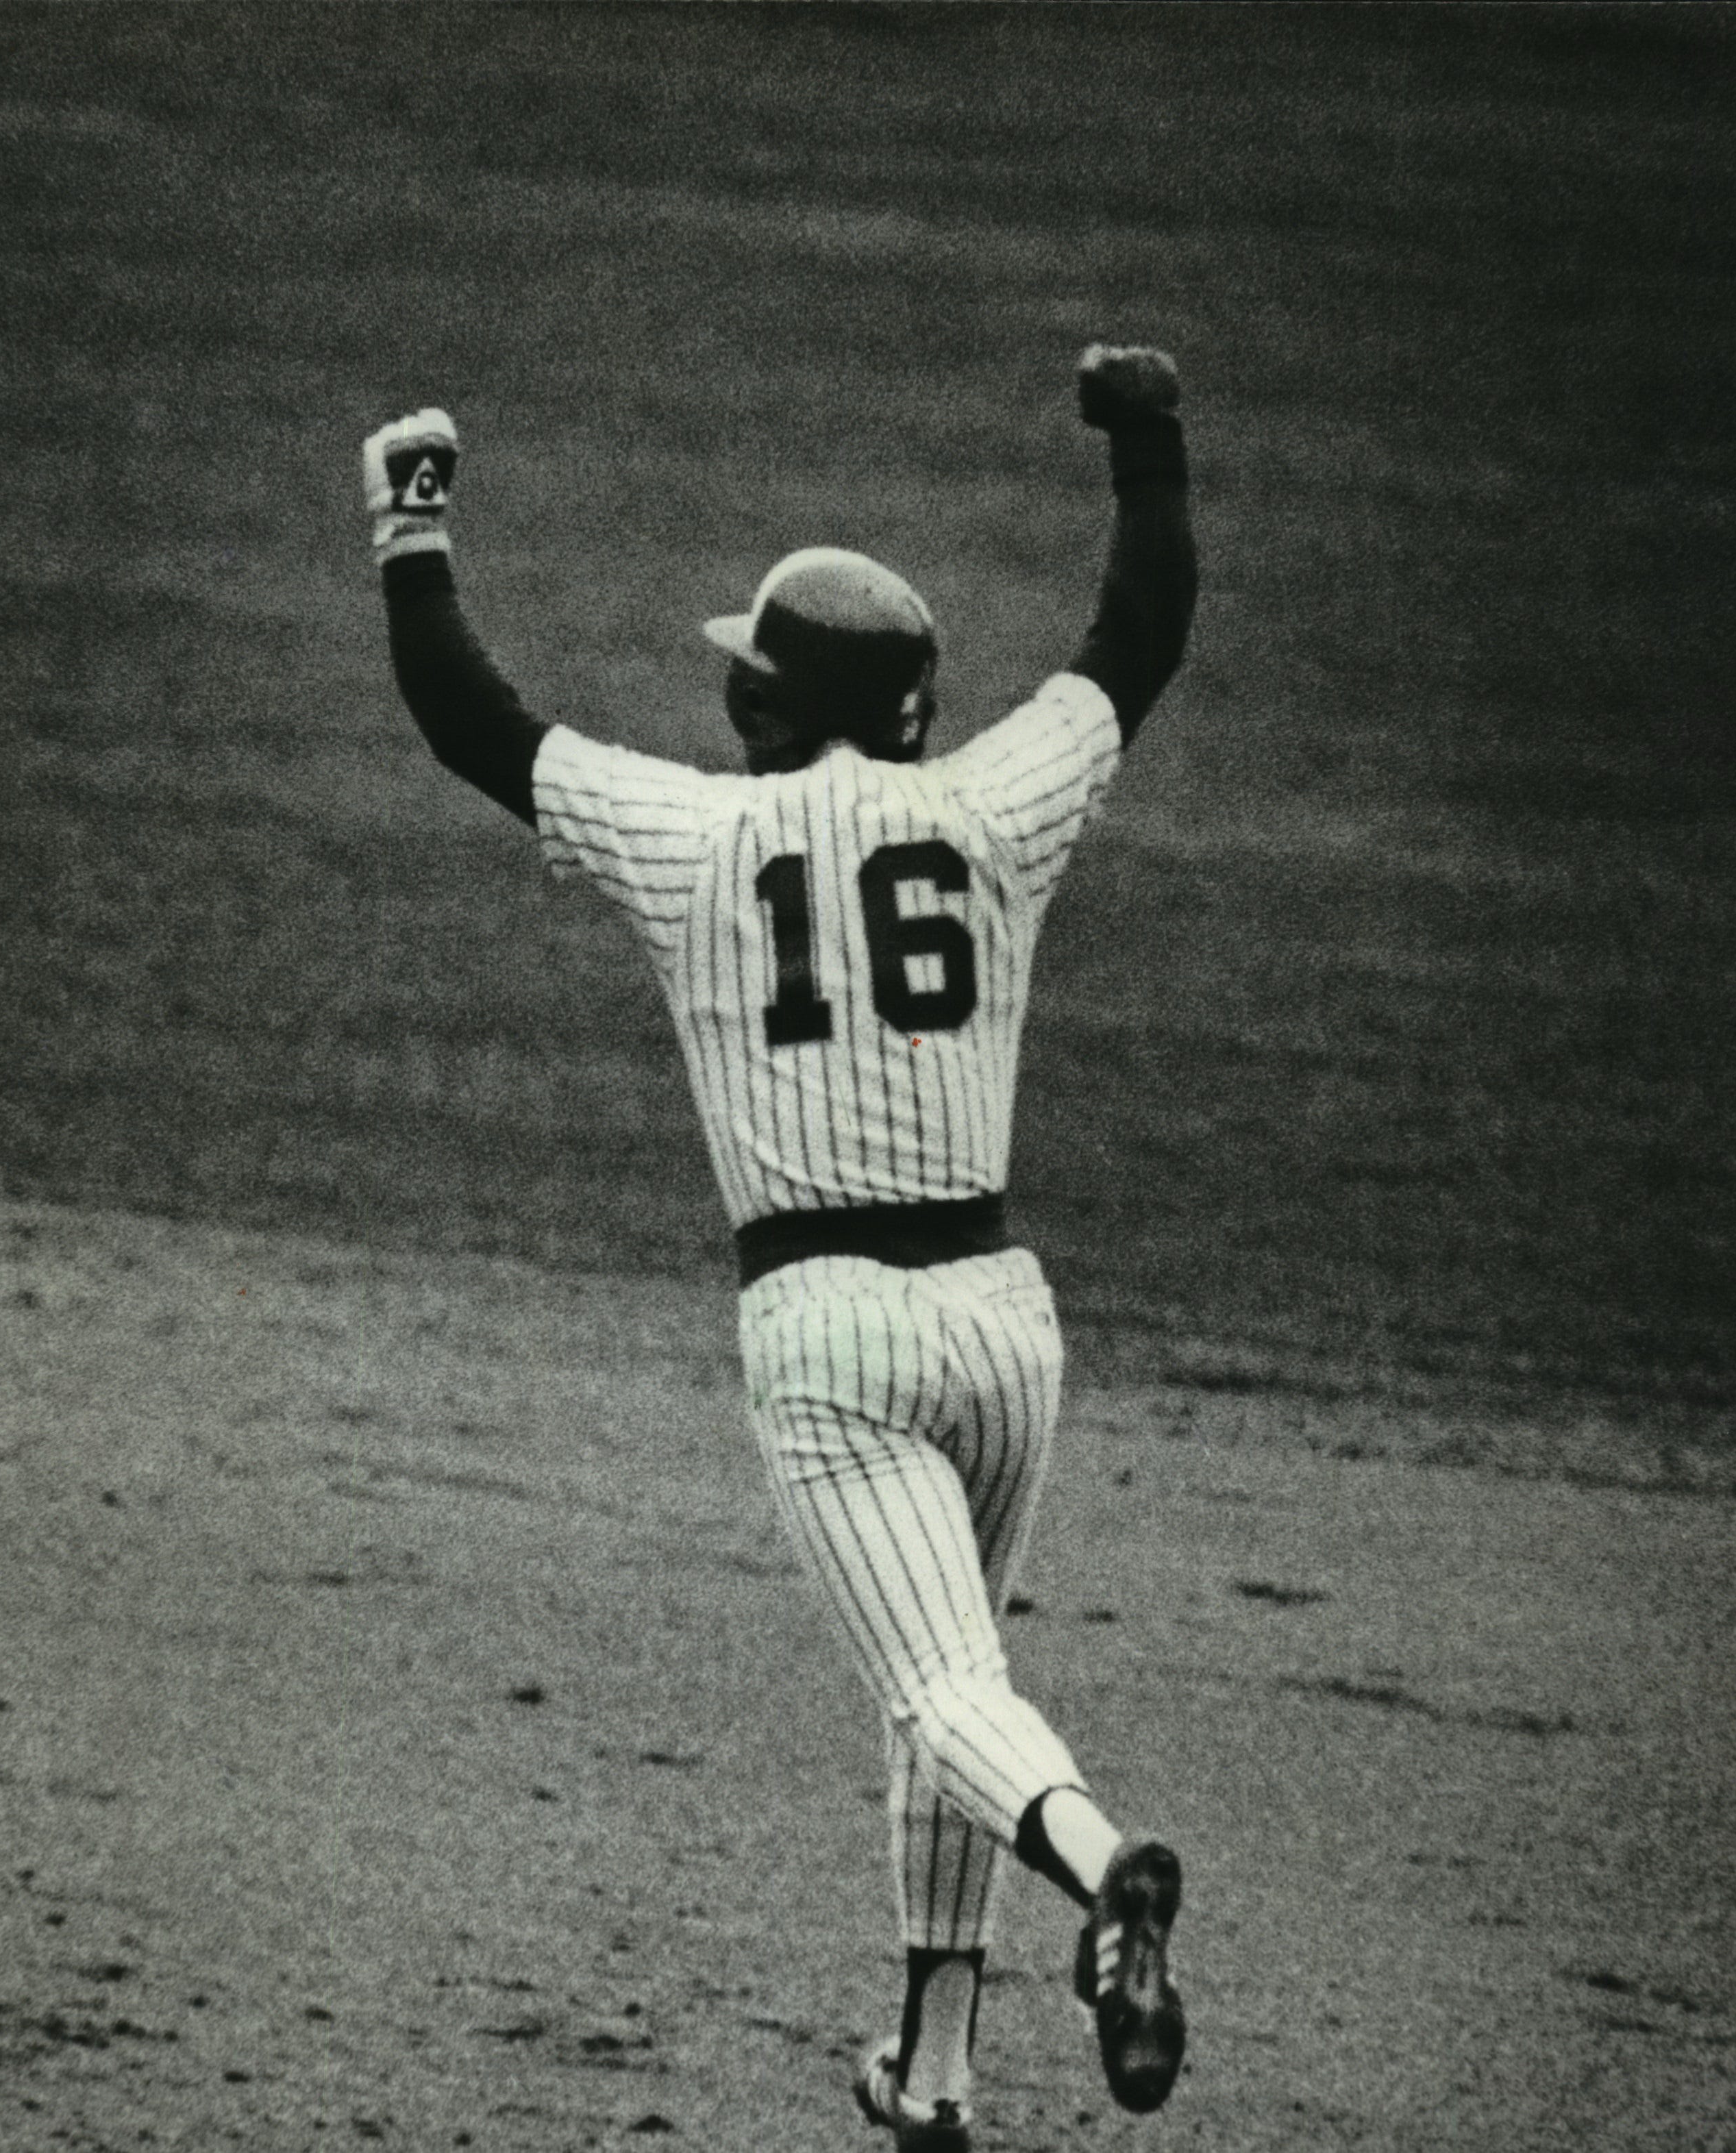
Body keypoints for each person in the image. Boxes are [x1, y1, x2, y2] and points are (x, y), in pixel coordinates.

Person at [363, 343, 1198, 2149]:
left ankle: (1107, 1865)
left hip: (830, 1336)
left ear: (772, 706)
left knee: (945, 1690)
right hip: (1003, 1328)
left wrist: (411, 522)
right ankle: (936, 2078)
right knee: (948, 1686)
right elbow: (1136, 639)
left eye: (750, 667)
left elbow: (468, 720)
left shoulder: (692, 838)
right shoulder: (1000, 808)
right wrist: (1149, 439)